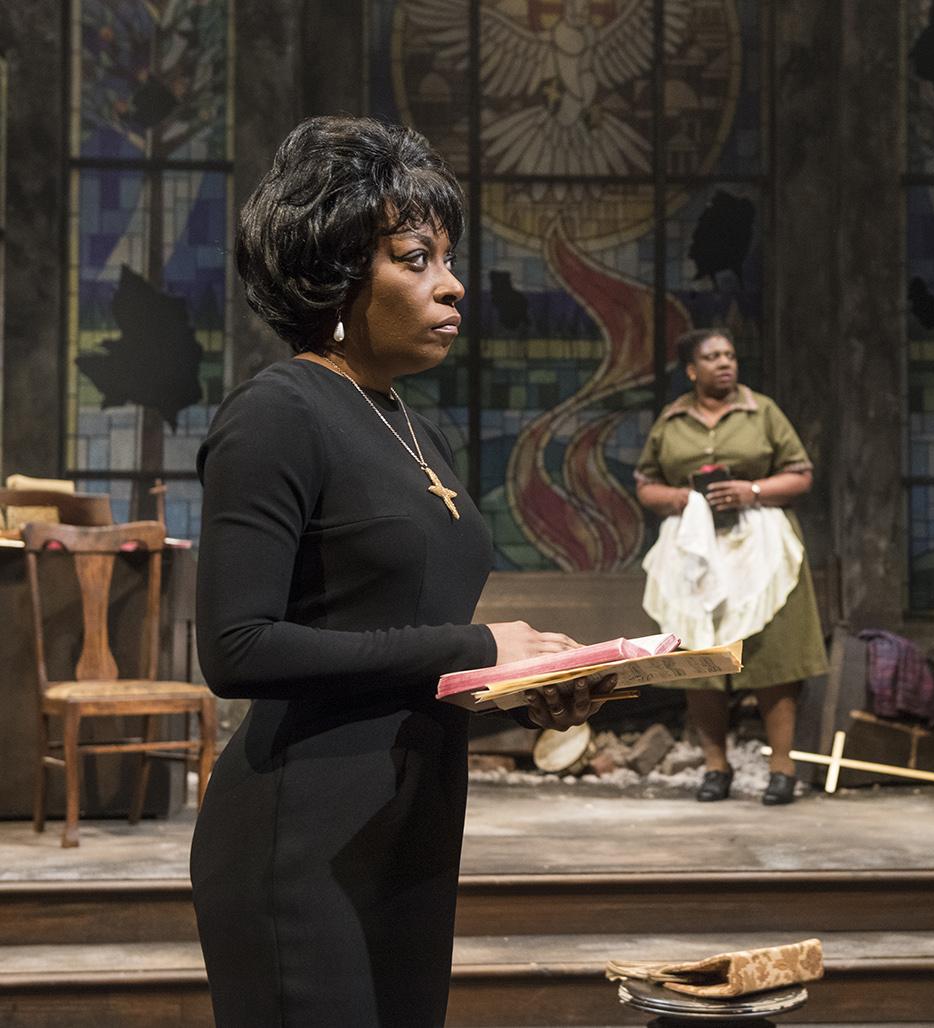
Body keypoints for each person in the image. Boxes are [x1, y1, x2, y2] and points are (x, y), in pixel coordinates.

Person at [192, 115, 612, 1027]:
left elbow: (398, 642)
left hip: (411, 825)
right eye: (416, 257)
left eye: (447, 258)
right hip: (300, 834)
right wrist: (475, 644)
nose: (453, 284)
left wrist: (518, 685)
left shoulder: (420, 427)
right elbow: (236, 647)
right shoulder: (277, 413)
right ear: (340, 272)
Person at [634, 329, 827, 805]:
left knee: (773, 656)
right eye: (712, 357)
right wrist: (680, 497)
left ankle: (782, 768)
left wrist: (751, 490)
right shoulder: (672, 419)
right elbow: (646, 483)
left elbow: (800, 474)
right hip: (694, 548)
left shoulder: (761, 411)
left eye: (730, 355)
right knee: (700, 658)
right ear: (692, 370)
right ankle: (715, 767)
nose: (725, 363)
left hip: (760, 546)